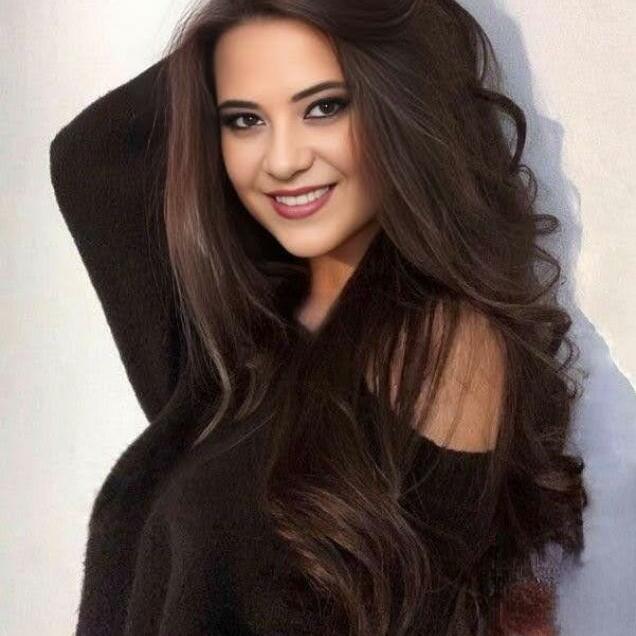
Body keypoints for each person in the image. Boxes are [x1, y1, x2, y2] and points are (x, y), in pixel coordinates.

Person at [49, 1, 588, 634]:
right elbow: (92, 158)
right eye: (245, 119)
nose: (282, 161)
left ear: (397, 105)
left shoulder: (440, 342)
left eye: (323, 107)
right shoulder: (242, 347)